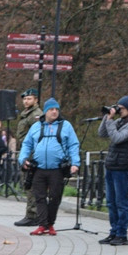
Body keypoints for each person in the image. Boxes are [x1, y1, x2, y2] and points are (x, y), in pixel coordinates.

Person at [18, 97, 79, 236]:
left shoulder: (66, 126)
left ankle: (50, 224)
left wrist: (75, 163)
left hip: (57, 168)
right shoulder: (36, 126)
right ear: (45, 111)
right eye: (51, 109)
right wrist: (23, 158)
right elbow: (27, 144)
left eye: (56, 109)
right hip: (38, 168)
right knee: (38, 197)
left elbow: (73, 145)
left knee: (55, 197)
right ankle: (42, 224)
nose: (54, 112)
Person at [98, 95, 128, 246]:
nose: (120, 110)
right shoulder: (118, 121)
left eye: (122, 108)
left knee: (121, 202)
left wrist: (110, 121)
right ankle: (113, 232)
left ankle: (121, 234)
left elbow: (117, 138)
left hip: (123, 167)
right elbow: (102, 133)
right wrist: (106, 117)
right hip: (112, 165)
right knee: (111, 202)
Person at [14, 88, 43, 225]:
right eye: (25, 99)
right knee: (27, 183)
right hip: (25, 150)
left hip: (32, 152)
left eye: (29, 98)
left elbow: (36, 135)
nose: (26, 101)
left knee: (31, 184)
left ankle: (33, 215)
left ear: (36, 100)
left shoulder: (36, 115)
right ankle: (31, 213)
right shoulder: (26, 113)